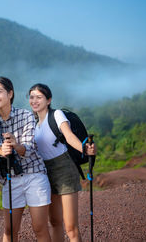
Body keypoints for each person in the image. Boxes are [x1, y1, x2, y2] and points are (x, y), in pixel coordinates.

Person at [28, 83, 96, 242]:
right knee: (55, 222)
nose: (34, 101)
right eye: (32, 97)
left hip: (64, 170)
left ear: (48, 100)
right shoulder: (34, 123)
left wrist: (84, 149)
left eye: (39, 97)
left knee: (71, 227)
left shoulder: (57, 115)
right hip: (45, 173)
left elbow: (69, 135)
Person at [0, 76, 52, 242]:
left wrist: (15, 145)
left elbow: (30, 147)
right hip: (11, 178)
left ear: (10, 94)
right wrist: (0, 149)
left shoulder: (25, 115)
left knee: (39, 228)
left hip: (34, 175)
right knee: (10, 230)